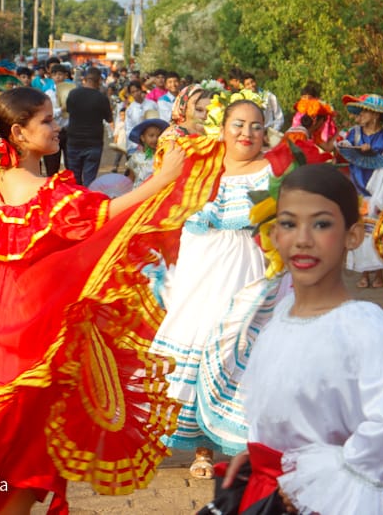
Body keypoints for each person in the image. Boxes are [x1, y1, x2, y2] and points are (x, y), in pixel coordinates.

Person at [0, 85, 227, 514]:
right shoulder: (43, 192)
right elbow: (104, 215)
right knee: (24, 433)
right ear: (18, 133)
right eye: (48, 121)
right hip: (28, 318)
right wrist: (163, 180)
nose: (57, 128)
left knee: (9, 426)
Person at [203, 163, 383, 515]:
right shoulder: (280, 318)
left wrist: (318, 478)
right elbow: (282, 411)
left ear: (352, 236)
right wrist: (261, 452)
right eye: (289, 223)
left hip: (327, 499)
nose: (303, 239)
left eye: (322, 224)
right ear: (274, 234)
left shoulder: (363, 326)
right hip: (268, 493)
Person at [149, 100, 284, 480]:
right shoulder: (199, 166)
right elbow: (165, 207)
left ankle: (244, 447)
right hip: (201, 269)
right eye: (238, 124)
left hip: (250, 270)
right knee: (199, 337)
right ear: (221, 128)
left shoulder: (273, 171)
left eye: (256, 126)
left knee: (240, 346)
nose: (247, 133)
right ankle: (202, 447)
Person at [338, 93, 383, 289]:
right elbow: (344, 148)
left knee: (379, 226)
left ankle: (379, 272)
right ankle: (364, 273)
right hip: (358, 180)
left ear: (375, 115)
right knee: (360, 226)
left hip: (381, 184)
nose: (361, 115)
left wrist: (371, 151)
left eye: (364, 111)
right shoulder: (354, 132)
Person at [65, 67, 112, 186]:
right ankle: (87, 202)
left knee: (74, 179)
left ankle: (75, 202)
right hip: (94, 143)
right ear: (99, 81)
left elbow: (68, 110)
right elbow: (109, 118)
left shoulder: (73, 94)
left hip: (74, 141)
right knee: (90, 180)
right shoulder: (102, 98)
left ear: (85, 79)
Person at [125, 118, 168, 188]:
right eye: (151, 135)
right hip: (139, 194)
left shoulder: (163, 156)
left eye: (158, 136)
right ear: (143, 138)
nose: (155, 139)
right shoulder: (135, 158)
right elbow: (131, 178)